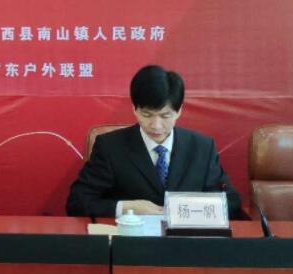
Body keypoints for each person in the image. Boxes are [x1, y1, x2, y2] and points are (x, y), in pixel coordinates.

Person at [66, 65, 243, 219]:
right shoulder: (110, 147)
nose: (156, 125)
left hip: (186, 241)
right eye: (147, 115)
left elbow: (231, 202)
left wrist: (186, 210)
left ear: (179, 111)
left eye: (165, 116)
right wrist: (127, 208)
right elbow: (77, 202)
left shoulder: (202, 148)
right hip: (131, 239)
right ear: (134, 109)